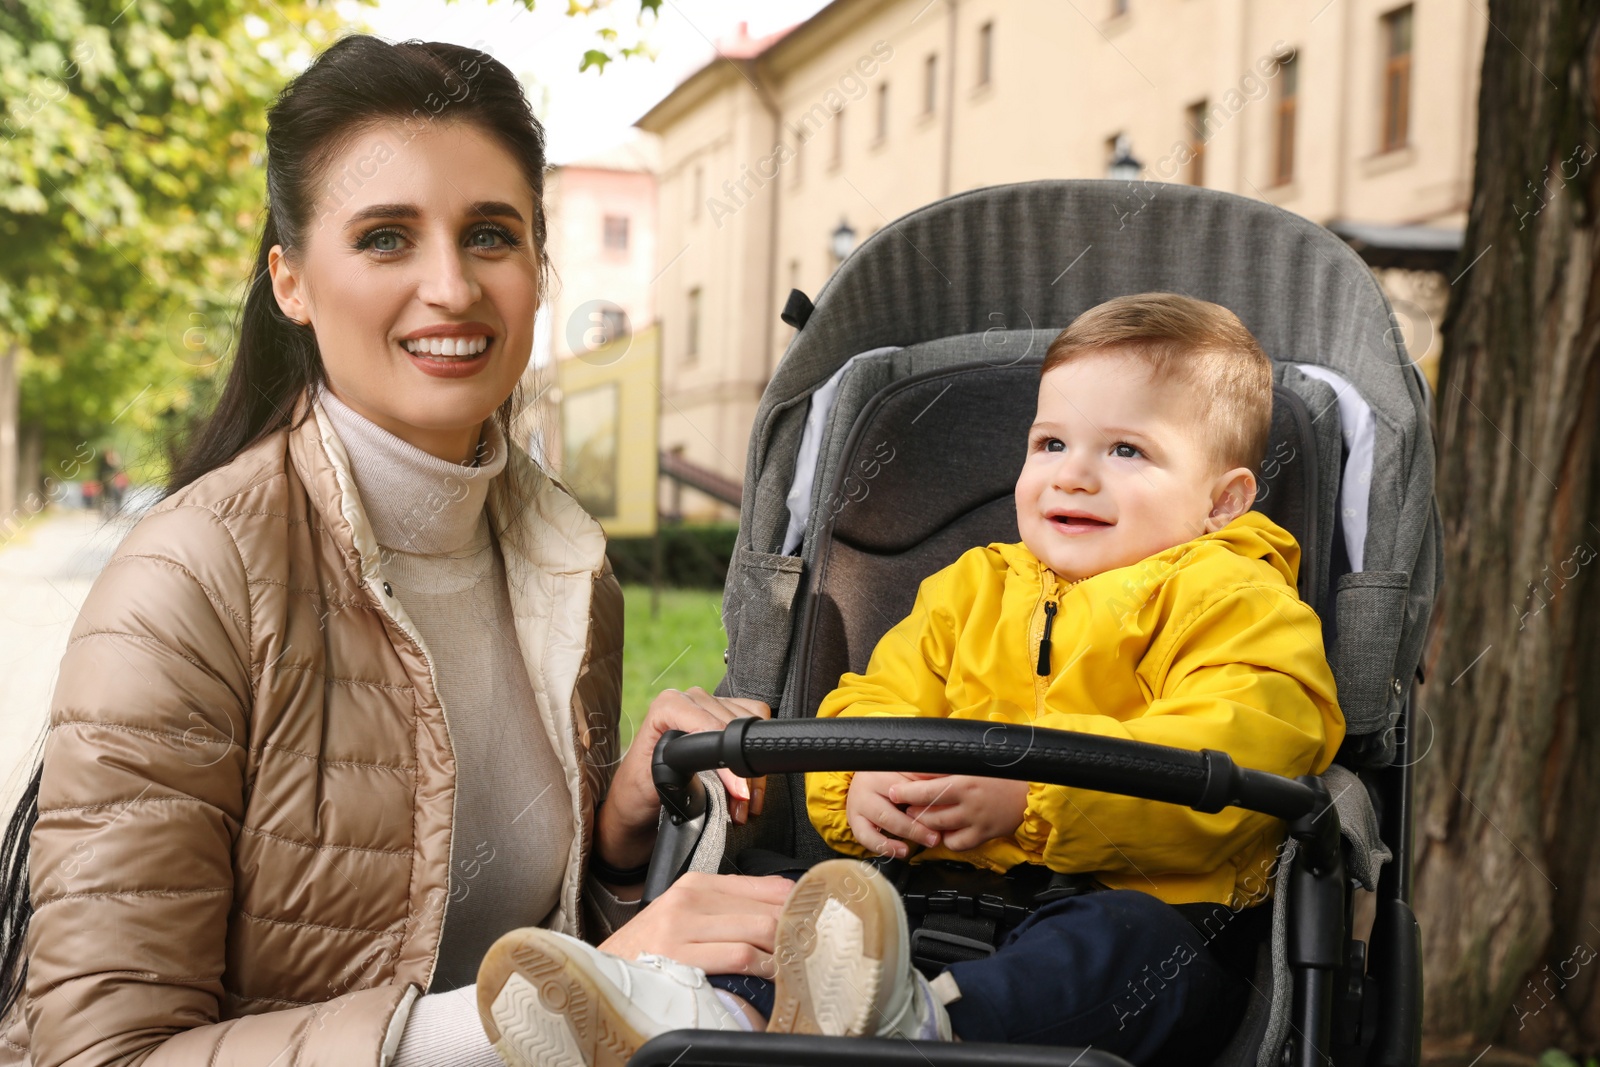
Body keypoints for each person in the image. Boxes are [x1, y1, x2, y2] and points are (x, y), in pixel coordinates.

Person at [0, 36, 794, 1067]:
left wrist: (617, 839)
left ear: (539, 270)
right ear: (290, 280)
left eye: (490, 235)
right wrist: (568, 996)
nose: (450, 286)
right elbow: (97, 1053)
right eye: (384, 237)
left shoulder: (565, 565)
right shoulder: (190, 577)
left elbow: (500, 931)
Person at [478, 293, 1345, 1067]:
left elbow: (1243, 740)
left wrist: (1033, 799)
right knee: (801, 914)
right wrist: (860, 782)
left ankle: (916, 1028)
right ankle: (685, 1013)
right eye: (1051, 442)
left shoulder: (1241, 602)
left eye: (1127, 449)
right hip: (917, 910)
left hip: (1141, 921)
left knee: (1123, 949)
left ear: (1225, 500)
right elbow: (873, 702)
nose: (1073, 472)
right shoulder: (970, 589)